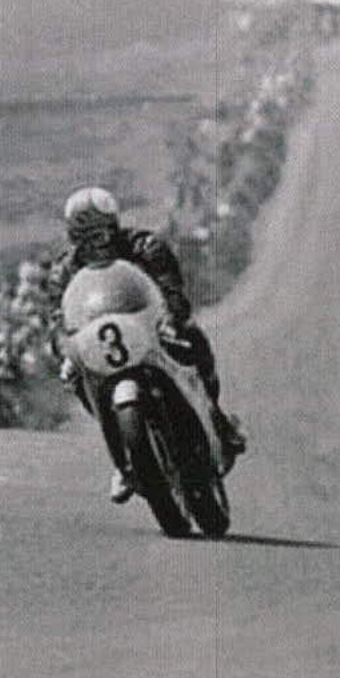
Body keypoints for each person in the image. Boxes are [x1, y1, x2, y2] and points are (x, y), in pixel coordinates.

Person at [47, 186, 246, 503]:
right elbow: (58, 318)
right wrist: (62, 349)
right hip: (101, 346)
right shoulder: (63, 271)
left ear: (113, 227)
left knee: (193, 339)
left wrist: (173, 316)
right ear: (73, 238)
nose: (95, 244)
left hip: (149, 328)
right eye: (85, 238)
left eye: (100, 234)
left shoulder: (144, 246)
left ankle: (217, 418)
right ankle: (126, 455)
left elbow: (170, 286)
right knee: (75, 377)